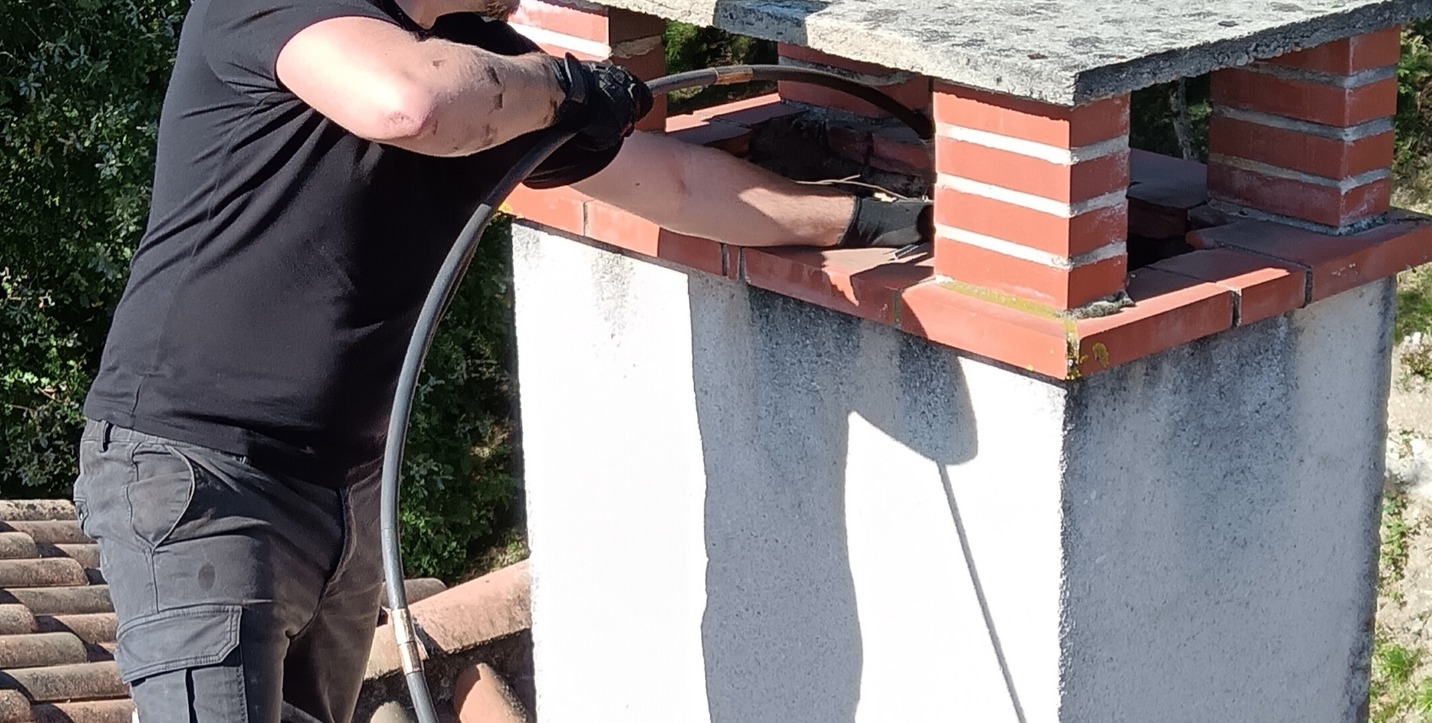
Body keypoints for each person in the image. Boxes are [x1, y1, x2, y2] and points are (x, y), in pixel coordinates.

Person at [70, 0, 928, 720]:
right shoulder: (289, 8)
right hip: (200, 480)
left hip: (343, 492)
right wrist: (562, 86)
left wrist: (861, 220)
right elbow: (412, 104)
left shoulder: (482, 63)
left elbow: (672, 184)